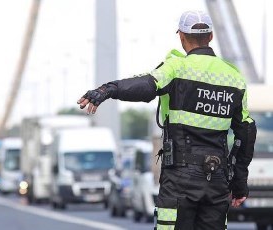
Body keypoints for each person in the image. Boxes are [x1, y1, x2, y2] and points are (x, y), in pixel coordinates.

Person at [77, 10, 256, 230]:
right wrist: (239, 183)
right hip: (217, 180)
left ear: (181, 36)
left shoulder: (176, 68)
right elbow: (246, 133)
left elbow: (144, 86)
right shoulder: (234, 78)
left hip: (180, 179)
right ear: (210, 36)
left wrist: (107, 90)